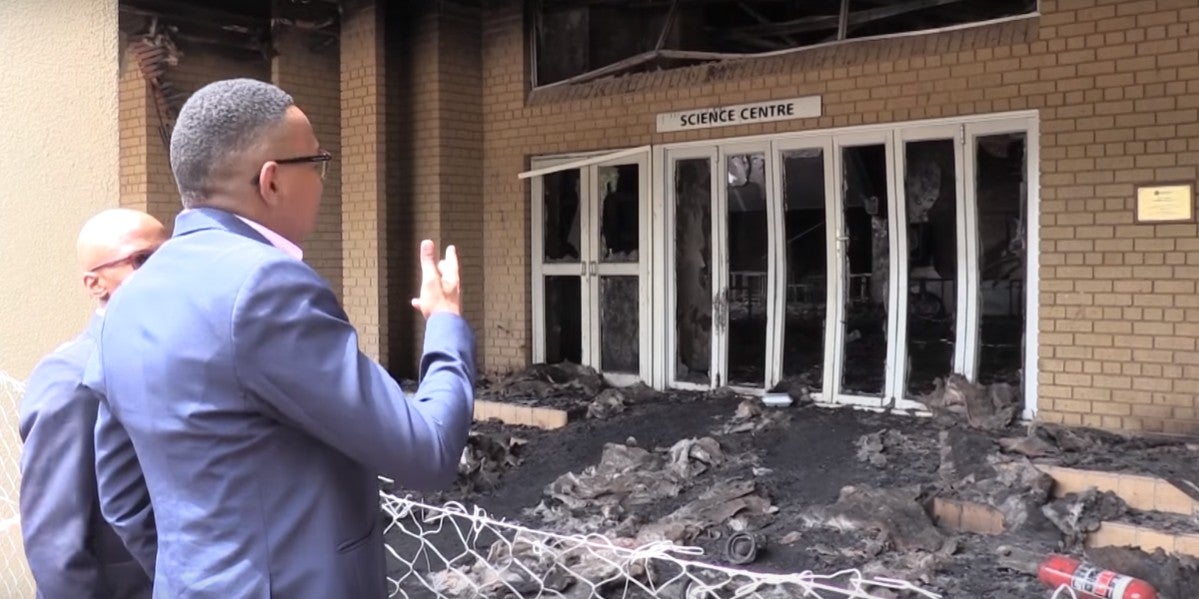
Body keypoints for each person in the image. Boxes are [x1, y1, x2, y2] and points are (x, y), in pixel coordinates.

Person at [83, 78, 476, 597]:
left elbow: (123, 497)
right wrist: (445, 324)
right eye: (316, 163)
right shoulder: (267, 287)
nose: (321, 179)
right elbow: (426, 450)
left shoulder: (125, 304)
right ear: (271, 181)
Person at [19, 207, 167, 598]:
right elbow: (56, 546)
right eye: (143, 259)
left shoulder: (171, 359)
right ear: (95, 283)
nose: (163, 269)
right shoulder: (71, 379)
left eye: (171, 254)